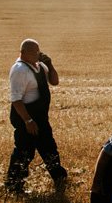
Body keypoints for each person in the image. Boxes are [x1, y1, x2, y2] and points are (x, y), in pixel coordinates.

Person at [7, 38, 68, 193]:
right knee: (24, 151)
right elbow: (16, 99)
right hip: (25, 117)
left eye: (38, 51)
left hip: (41, 117)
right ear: (23, 53)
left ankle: (59, 178)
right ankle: (14, 185)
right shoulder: (19, 70)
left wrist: (50, 64)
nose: (37, 54)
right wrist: (28, 120)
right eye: (34, 52)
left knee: (49, 147)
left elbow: (54, 82)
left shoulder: (40, 66)